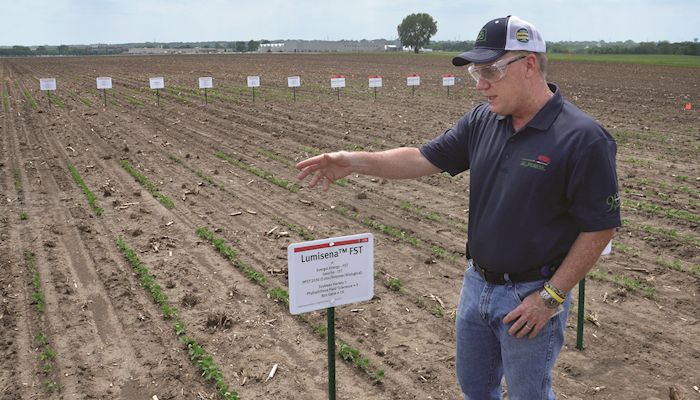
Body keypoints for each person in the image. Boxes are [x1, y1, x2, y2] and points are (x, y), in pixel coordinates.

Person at [296, 15, 621, 400]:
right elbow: (421, 158)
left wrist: (551, 298)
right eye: (475, 72)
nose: (481, 83)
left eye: (491, 70)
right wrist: (353, 161)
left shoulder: (582, 138)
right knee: (475, 389)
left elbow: (600, 227)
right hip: (477, 285)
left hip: (533, 295)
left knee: (528, 395)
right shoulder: (484, 119)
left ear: (529, 64)